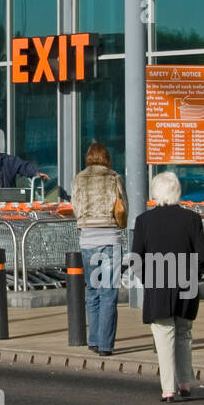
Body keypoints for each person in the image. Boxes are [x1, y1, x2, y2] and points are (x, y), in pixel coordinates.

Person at [130, 171, 204, 403]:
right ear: (177, 192)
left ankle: (168, 389)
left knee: (164, 336)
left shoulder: (144, 221)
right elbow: (203, 255)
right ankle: (185, 383)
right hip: (186, 283)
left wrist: (149, 279)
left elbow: (136, 259)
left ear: (156, 193)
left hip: (158, 285)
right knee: (184, 333)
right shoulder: (192, 219)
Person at [70, 142, 127, 356]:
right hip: (110, 239)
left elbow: (76, 208)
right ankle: (105, 345)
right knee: (108, 293)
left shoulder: (79, 178)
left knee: (92, 292)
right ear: (107, 157)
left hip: (88, 241)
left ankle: (94, 340)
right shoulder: (114, 178)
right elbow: (123, 207)